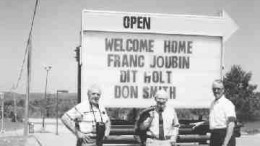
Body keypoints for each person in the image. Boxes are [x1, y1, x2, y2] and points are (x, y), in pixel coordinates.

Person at [209, 79, 236, 146]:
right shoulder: (212, 104)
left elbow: (231, 124)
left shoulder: (228, 104)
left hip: (225, 136)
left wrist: (225, 143)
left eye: (218, 89)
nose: (216, 91)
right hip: (214, 136)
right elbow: (216, 120)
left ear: (223, 90)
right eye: (214, 89)